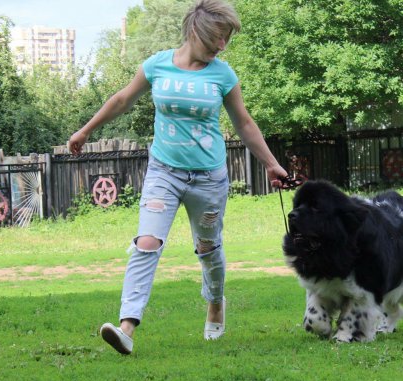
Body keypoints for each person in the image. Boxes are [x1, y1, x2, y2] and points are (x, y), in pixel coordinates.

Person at [68, 0, 288, 355]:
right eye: (218, 37)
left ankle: (215, 302)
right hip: (163, 172)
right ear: (195, 30)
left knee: (207, 248)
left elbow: (243, 123)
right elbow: (122, 99)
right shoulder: (157, 65)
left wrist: (270, 163)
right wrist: (85, 131)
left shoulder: (223, 75)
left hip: (208, 178)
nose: (222, 46)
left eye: (226, 39)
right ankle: (126, 327)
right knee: (147, 242)